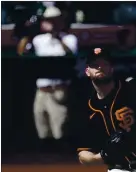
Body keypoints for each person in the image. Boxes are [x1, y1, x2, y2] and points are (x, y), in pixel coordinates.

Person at [32, 6, 78, 149]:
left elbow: (71, 54)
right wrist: (27, 32)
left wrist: (57, 35)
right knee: (42, 124)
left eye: (55, 20)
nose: (52, 23)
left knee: (60, 128)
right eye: (49, 20)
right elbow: (22, 52)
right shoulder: (38, 40)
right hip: (42, 90)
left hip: (59, 89)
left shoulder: (70, 38)